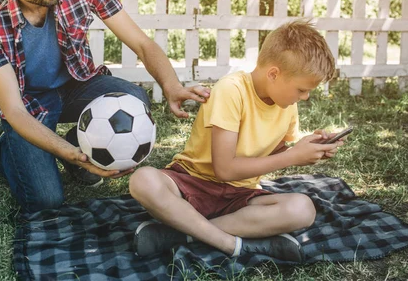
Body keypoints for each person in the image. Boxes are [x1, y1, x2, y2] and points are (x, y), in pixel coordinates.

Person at [0, 0, 210, 215]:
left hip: (76, 84)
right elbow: (14, 110)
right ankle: (7, 148)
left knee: (133, 97)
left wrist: (171, 86)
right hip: (28, 105)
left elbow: (143, 44)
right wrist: (70, 154)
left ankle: (82, 149)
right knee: (45, 199)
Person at [129, 20, 343, 262]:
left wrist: (306, 149)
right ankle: (230, 243)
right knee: (142, 180)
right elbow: (224, 169)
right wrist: (291, 157)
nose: (304, 98)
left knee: (303, 209)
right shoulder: (231, 90)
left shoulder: (286, 104)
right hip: (192, 183)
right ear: (274, 74)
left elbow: (274, 154)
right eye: (302, 90)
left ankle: (180, 232)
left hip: (240, 196)